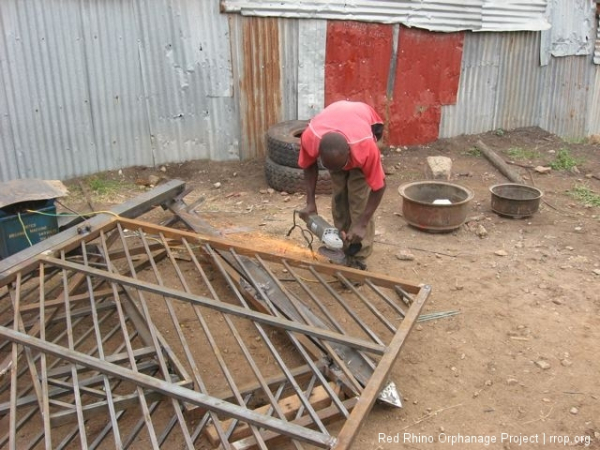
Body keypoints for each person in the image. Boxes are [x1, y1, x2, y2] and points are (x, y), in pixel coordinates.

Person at [297, 100, 386, 270]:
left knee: (358, 200)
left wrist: (362, 224)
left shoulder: (366, 147)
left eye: (342, 165)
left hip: (362, 137)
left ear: (348, 154)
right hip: (338, 140)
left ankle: (358, 256)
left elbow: (380, 187)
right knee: (339, 199)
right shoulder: (311, 137)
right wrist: (310, 202)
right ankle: (341, 244)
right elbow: (308, 165)